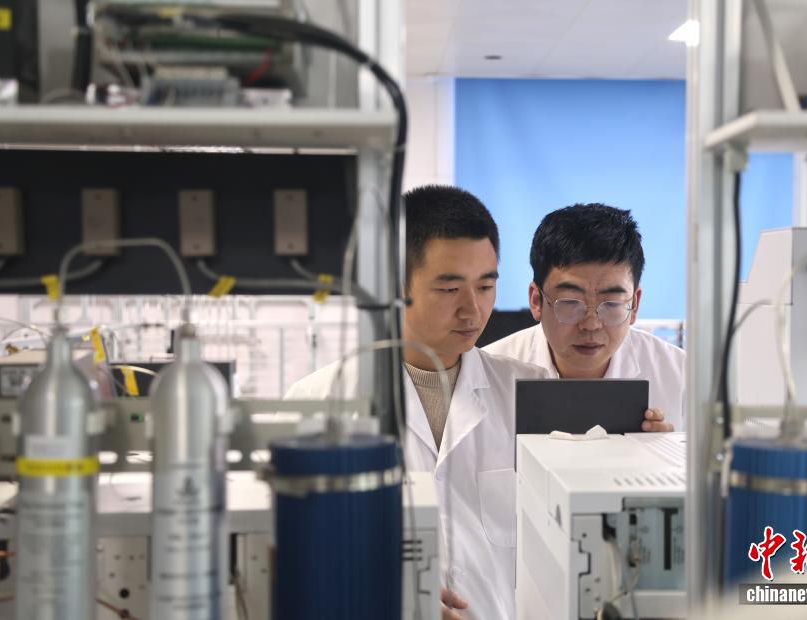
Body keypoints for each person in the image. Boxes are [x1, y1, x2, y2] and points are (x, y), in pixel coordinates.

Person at [286, 185, 546, 620]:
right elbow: (291, 551)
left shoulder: (533, 393)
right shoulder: (318, 402)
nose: (473, 310)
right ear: (394, 286)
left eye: (486, 286)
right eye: (449, 289)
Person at [484, 204, 685, 432]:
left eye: (611, 304)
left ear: (634, 305)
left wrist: (670, 450)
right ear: (536, 300)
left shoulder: (682, 377)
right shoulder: (487, 377)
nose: (591, 324)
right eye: (570, 302)